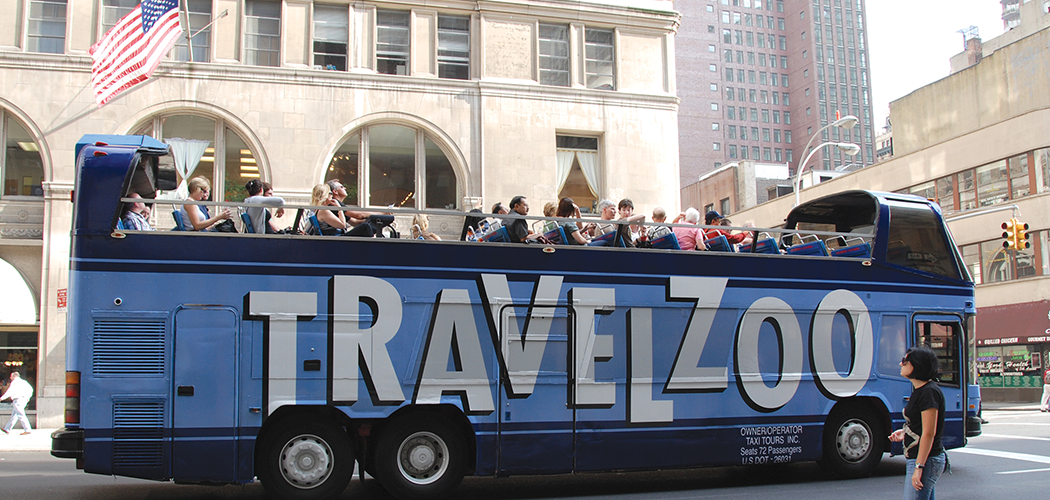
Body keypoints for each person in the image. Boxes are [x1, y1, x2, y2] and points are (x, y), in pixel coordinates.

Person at [889, 346, 947, 500]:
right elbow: (920, 426)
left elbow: (929, 433)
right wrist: (904, 432)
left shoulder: (929, 392)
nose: (901, 364)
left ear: (917, 365)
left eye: (905, 361)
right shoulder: (920, 390)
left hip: (926, 460)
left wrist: (919, 467)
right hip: (921, 458)